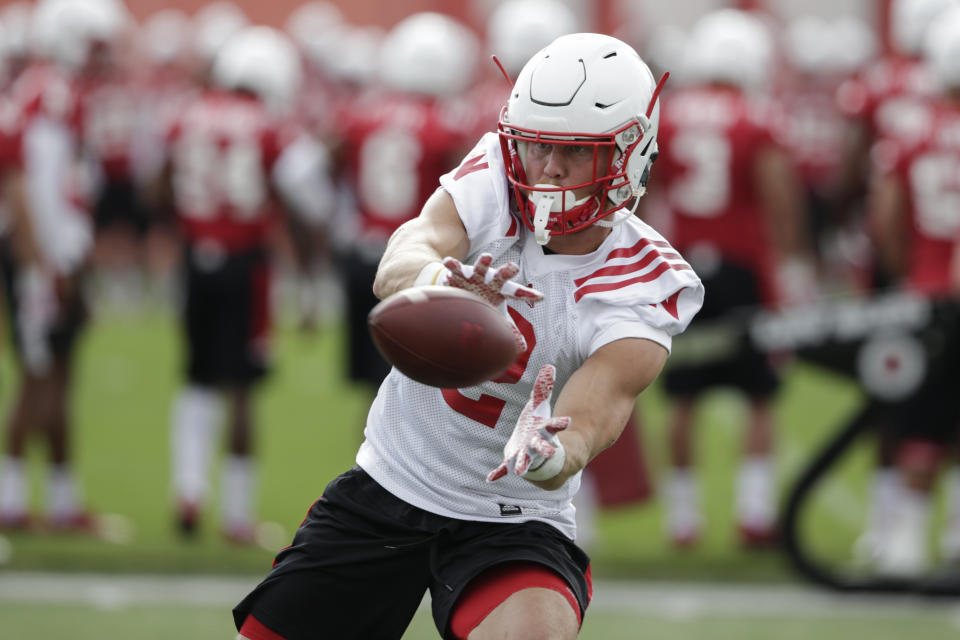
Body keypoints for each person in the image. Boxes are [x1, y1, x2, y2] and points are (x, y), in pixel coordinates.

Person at [233, 32, 703, 640]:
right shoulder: (495, 181)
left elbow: (596, 414)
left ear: (629, 156)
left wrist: (549, 452)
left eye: (573, 151)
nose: (547, 168)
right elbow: (403, 257)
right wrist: (443, 283)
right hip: (390, 483)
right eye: (535, 146)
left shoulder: (644, 280)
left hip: (513, 520)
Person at [155, 25, 332, 543]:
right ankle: (236, 517)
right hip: (245, 263)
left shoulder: (187, 114)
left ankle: (187, 492)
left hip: (195, 257)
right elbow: (311, 202)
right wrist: (311, 278)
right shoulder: (271, 126)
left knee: (195, 378)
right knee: (243, 388)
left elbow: (158, 184)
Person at [649, 8, 815, 549]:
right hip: (743, 266)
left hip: (683, 265)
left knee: (681, 397)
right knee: (760, 394)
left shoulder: (667, 117)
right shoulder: (759, 117)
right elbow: (779, 196)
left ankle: (682, 520)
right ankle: (754, 513)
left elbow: (647, 195)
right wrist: (793, 263)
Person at [0, 0, 119, 532]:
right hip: (44, 253)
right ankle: (12, 501)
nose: (102, 58)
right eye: (96, 45)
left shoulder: (46, 87)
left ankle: (63, 502)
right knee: (39, 373)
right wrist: (49, 261)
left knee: (59, 372)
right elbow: (38, 185)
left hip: (54, 250)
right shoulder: (51, 91)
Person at [866, 5, 960, 574]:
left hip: (926, 295)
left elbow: (886, 220)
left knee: (921, 422)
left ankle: (904, 547)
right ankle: (954, 540)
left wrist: (910, 273)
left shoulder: (912, 132)